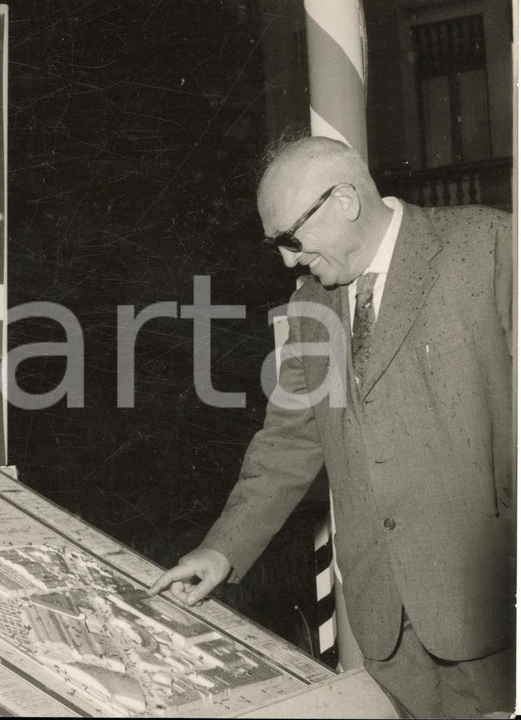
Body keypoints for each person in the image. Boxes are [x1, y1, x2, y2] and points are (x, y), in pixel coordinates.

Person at [148, 136, 515, 718]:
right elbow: (289, 443)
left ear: (345, 199)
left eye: (291, 239)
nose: (288, 260)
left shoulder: (492, 248)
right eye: (277, 246)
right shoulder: (310, 307)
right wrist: (223, 550)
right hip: (390, 632)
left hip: (495, 615)